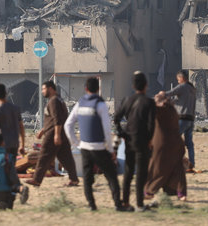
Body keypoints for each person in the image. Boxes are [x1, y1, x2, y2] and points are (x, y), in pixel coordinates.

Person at [64, 77, 135, 212]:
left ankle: (91, 205)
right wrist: (110, 149)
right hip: (99, 148)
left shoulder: (80, 104)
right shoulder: (100, 105)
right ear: (98, 89)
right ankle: (117, 204)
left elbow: (68, 125)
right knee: (111, 176)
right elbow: (107, 130)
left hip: (84, 147)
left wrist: (76, 143)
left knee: (87, 177)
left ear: (85, 88)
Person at [113, 71, 156, 209]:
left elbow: (116, 118)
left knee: (128, 172)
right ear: (146, 85)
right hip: (142, 141)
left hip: (129, 141)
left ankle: (125, 202)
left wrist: (123, 133)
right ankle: (139, 203)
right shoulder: (149, 102)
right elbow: (151, 124)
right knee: (141, 173)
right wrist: (150, 139)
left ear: (133, 86)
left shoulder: (127, 100)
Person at [26, 81, 79, 187]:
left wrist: (56, 135)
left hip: (53, 134)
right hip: (59, 133)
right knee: (66, 157)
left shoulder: (54, 101)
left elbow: (57, 119)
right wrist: (42, 131)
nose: (42, 92)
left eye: (43, 89)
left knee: (44, 156)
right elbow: (52, 119)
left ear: (51, 89)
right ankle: (74, 179)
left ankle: (36, 180)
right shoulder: (58, 100)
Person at [0, 83, 29, 204]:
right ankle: (9, 196)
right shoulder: (15, 109)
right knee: (10, 169)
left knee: (4, 170)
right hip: (14, 144)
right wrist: (22, 144)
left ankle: (18, 189)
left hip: (2, 145)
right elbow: (21, 127)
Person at [145, 93, 187, 201]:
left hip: (163, 144)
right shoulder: (173, 110)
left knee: (156, 168)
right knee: (178, 169)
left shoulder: (161, 110)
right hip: (177, 143)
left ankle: (149, 191)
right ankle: (180, 192)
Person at [162, 70, 197, 172]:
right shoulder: (192, 89)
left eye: (178, 79)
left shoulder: (183, 87)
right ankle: (191, 164)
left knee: (172, 139)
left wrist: (161, 94)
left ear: (182, 78)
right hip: (191, 119)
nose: (178, 82)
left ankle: (173, 162)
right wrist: (172, 102)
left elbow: (169, 93)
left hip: (182, 118)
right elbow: (181, 101)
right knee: (189, 144)